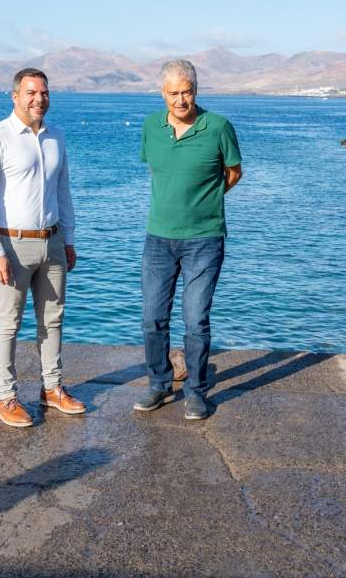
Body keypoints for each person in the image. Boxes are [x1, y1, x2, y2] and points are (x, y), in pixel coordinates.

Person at [0, 67, 83, 427]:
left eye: (44, 93)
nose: (39, 99)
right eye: (31, 93)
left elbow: (62, 192)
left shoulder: (56, 137)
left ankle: (52, 389)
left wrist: (69, 240)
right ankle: (5, 398)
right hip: (12, 245)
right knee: (8, 323)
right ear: (15, 96)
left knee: (53, 319)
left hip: (51, 243)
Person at [133, 60, 242, 421]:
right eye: (174, 93)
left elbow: (233, 172)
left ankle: (195, 391)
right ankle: (159, 385)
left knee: (195, 320)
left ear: (196, 90)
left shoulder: (219, 127)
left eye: (187, 92)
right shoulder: (151, 127)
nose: (181, 100)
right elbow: (156, 168)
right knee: (152, 317)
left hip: (204, 240)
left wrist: (206, 201)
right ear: (162, 94)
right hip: (158, 239)